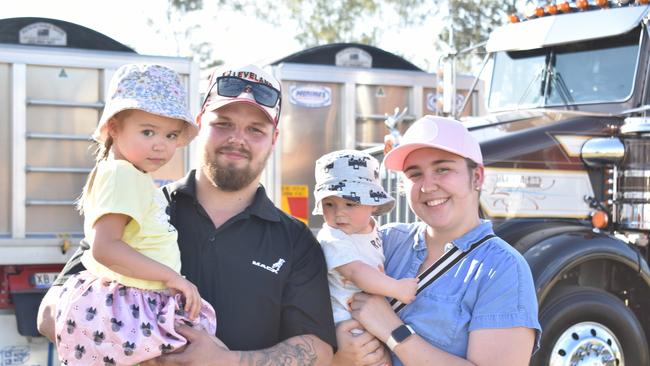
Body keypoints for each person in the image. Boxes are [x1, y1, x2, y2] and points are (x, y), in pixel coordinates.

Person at [38, 64, 336, 365]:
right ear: (198, 125)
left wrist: (223, 361)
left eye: (255, 130)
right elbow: (50, 312)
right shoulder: (146, 207)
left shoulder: (295, 240)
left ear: (274, 139)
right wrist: (147, 351)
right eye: (223, 123)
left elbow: (319, 351)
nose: (237, 139)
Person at [333, 116, 541, 366]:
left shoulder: (503, 270)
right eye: (415, 174)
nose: (427, 186)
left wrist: (393, 330)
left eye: (443, 169)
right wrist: (339, 351)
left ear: (477, 177)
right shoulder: (384, 242)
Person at [53, 63, 216, 366]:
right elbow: (106, 247)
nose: (161, 145)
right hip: (132, 303)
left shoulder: (129, 174)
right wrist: (174, 278)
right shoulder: (122, 175)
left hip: (136, 299)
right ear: (114, 127)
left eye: (170, 136)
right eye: (147, 131)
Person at [313, 149, 417, 332]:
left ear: (373, 203)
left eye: (350, 203)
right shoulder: (333, 237)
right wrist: (396, 288)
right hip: (346, 319)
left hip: (371, 314)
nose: (339, 212)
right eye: (329, 204)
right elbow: (356, 272)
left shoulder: (372, 229)